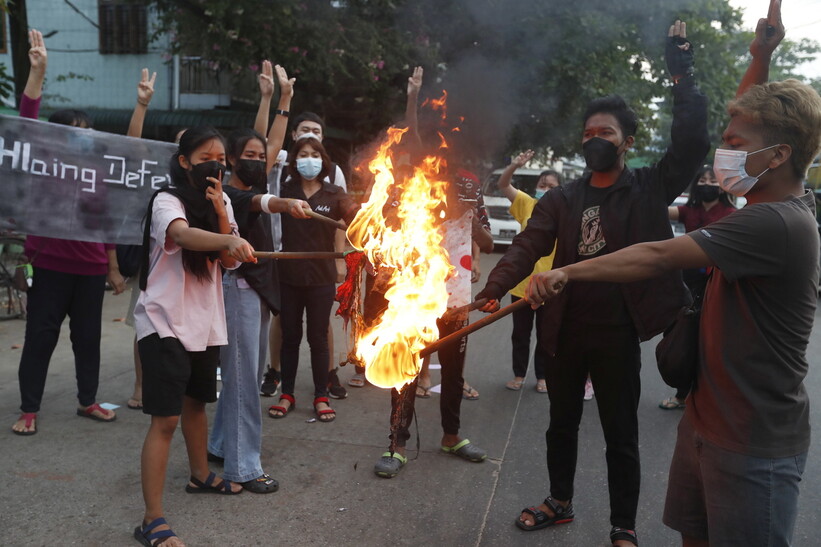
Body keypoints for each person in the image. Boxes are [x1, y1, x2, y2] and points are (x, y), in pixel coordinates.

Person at [525, 67, 819, 547]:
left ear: (778, 155)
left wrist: (565, 271)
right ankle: (561, 499)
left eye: (734, 144)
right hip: (706, 422)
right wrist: (759, 55)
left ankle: (622, 525)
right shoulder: (763, 203)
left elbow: (658, 254)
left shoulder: (776, 223)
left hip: (750, 444)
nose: (723, 155)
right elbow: (754, 122)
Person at [476, 20, 709, 546]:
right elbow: (527, 246)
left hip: (618, 333)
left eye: (604, 133)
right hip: (563, 332)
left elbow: (693, 140)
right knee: (560, 425)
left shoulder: (649, 186)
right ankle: (560, 500)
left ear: (627, 141)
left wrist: (681, 73)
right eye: (587, 134)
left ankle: (622, 525)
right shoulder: (561, 199)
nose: (594, 140)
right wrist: (493, 291)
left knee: (620, 435)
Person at [133, 126, 256, 546]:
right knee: (165, 418)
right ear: (185, 161)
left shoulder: (219, 203)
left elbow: (227, 257)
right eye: (206, 156)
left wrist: (224, 217)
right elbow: (182, 236)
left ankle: (201, 475)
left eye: (222, 159)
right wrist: (228, 238)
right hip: (164, 320)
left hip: (204, 323)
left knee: (196, 405)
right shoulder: (168, 200)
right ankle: (152, 520)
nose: (215, 165)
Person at [372, 66, 494, 478]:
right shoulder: (414, 181)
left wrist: (467, 218)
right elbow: (411, 133)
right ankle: (397, 443)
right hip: (413, 293)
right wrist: (412, 97)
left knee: (455, 371)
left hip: (456, 294)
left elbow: (490, 242)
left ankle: (452, 436)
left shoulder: (470, 186)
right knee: (406, 367)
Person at [12, 29, 126, 436]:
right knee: (40, 337)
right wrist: (37, 74)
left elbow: (107, 221)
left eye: (85, 131)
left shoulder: (98, 173)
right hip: (49, 266)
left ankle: (87, 400)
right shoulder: (39, 163)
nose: (80, 137)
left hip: (91, 270)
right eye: (71, 131)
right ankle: (29, 409)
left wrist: (112, 268)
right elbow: (26, 125)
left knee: (88, 338)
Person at [207, 63, 312, 494]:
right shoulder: (226, 191)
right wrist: (284, 204)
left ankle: (219, 445)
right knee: (242, 378)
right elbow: (259, 202)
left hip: (260, 288)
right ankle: (243, 468)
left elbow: (271, 141)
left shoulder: (258, 171)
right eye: (246, 157)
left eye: (259, 157)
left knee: (240, 373)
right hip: (237, 289)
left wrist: (279, 100)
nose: (255, 160)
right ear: (230, 160)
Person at [267, 135, 359, 422]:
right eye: (303, 154)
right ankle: (288, 394)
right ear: (294, 160)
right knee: (290, 337)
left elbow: (356, 218)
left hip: (321, 277)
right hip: (288, 276)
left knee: (318, 338)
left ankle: (321, 395)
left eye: (315, 154)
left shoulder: (335, 194)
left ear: (324, 160)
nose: (310, 159)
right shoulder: (284, 191)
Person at [658, 165, 735, 410]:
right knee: (683, 337)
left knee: (710, 342)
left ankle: (707, 397)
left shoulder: (733, 213)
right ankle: (683, 394)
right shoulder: (688, 210)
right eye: (702, 179)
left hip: (718, 284)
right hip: (687, 284)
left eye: (712, 179)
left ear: (722, 186)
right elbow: (659, 211)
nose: (706, 183)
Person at [495, 150, 559, 393]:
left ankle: (542, 376)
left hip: (550, 286)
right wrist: (514, 165)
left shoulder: (564, 211)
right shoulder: (526, 203)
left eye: (551, 185)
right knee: (520, 334)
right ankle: (519, 374)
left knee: (546, 335)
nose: (545, 188)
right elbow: (503, 184)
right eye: (542, 184)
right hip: (521, 285)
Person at [124, 67, 158, 411]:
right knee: (144, 327)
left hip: (192, 263)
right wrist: (141, 106)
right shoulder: (157, 171)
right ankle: (140, 385)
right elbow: (132, 150)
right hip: (152, 261)